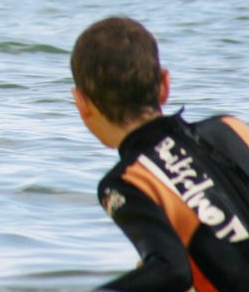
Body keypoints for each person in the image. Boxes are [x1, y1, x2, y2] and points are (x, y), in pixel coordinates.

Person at [70, 16, 249, 291]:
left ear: (81, 103)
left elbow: (171, 272)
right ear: (164, 84)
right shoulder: (231, 128)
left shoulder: (128, 181)